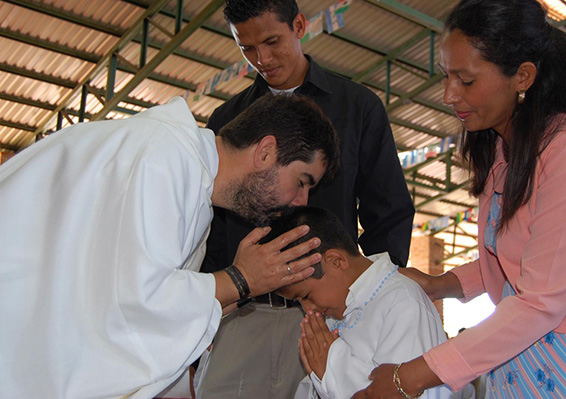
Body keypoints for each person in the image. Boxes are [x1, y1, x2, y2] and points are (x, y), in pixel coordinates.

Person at [0, 93, 339, 399]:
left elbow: (145, 309)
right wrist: (240, 279)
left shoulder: (190, 184)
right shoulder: (162, 158)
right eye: (301, 181)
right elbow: (130, 302)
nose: (300, 200)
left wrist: (235, 290)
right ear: (266, 152)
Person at [353, 0, 566, 398]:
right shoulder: (502, 148)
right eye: (447, 76)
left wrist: (411, 376)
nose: (450, 95)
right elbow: (509, 260)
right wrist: (439, 285)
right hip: (522, 352)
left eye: (466, 81)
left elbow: (540, 300)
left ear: (522, 77)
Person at [197, 1, 415, 397]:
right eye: (247, 49)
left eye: (271, 41)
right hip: (243, 315)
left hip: (331, 318)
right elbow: (210, 226)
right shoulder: (226, 121)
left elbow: (389, 212)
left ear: (299, 25)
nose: (262, 59)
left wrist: (373, 297)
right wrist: (209, 310)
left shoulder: (358, 108)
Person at [263, 206, 452, 399]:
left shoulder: (402, 303)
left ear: (336, 261)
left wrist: (332, 366)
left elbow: (396, 392)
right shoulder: (336, 308)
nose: (309, 310)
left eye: (306, 296)